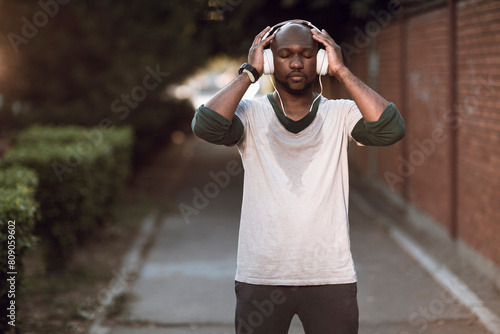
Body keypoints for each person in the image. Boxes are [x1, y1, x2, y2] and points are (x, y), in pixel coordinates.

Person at [192, 19, 405, 334]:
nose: (295, 62)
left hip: (330, 276)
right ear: (268, 60)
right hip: (261, 275)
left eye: (306, 54)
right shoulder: (249, 115)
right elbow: (205, 125)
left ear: (319, 60)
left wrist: (342, 71)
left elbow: (390, 129)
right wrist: (248, 73)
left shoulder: (340, 113)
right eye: (284, 54)